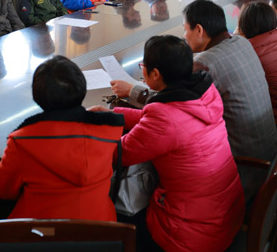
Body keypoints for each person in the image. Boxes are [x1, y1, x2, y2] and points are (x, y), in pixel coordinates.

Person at [111, 0, 277, 203]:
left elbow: (174, 106)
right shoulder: (241, 42)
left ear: (199, 30)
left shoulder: (205, 63)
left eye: (185, 29)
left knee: (153, 161)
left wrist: (132, 90)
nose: (184, 36)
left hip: (242, 169)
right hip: (269, 156)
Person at [91, 35, 244, 252]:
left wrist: (87, 131)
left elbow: (120, 153)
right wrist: (112, 115)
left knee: (118, 215)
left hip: (191, 234)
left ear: (155, 74)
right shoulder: (203, 93)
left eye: (143, 66)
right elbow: (157, 120)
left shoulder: (164, 117)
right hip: (225, 215)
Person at [0, 55, 123, 221]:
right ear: (82, 89)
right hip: (101, 227)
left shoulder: (23, 141)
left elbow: (2, 191)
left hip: (41, 230)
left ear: (37, 96)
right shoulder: (108, 130)